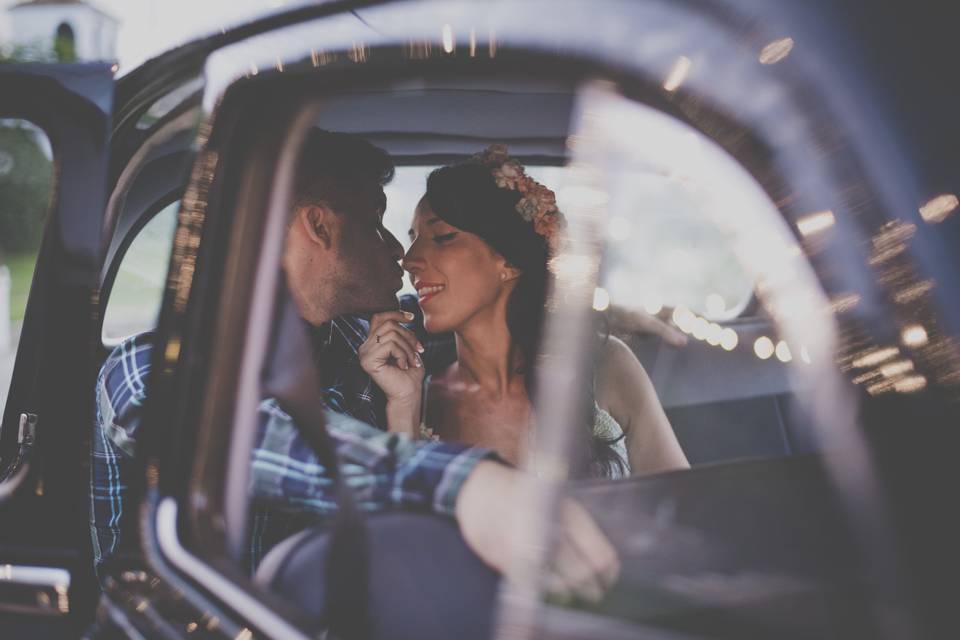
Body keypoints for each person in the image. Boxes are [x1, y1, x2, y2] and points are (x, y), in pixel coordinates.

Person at [91, 131, 619, 603]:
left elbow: (487, 299)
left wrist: (614, 315)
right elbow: (263, 438)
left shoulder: (361, 332)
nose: (398, 251)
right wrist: (468, 484)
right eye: (376, 223)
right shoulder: (143, 371)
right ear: (319, 226)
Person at [360, 146, 689, 476]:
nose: (409, 259)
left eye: (442, 237)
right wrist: (403, 414)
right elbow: (400, 524)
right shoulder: (413, 393)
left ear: (510, 261)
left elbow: (683, 503)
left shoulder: (604, 366)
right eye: (414, 237)